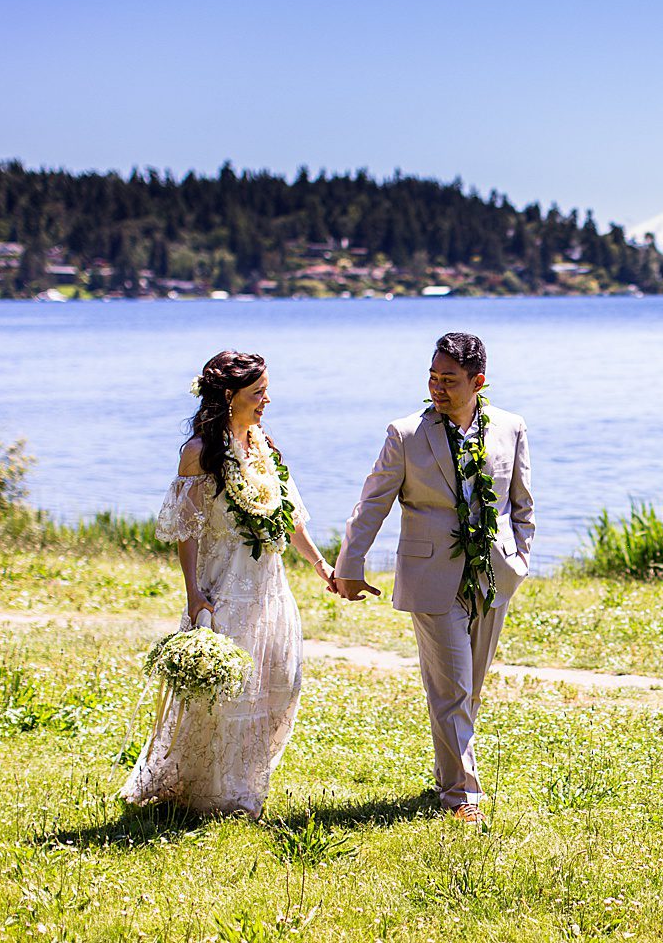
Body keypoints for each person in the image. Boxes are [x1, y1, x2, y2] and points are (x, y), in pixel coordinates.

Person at [331, 332, 534, 823]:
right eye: (432, 376)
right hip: (431, 577)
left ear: (477, 382)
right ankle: (462, 797)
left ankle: (451, 773)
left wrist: (518, 559)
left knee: (471, 688)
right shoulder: (405, 434)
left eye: (449, 380)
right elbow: (372, 503)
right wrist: (349, 567)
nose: (437, 387)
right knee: (452, 690)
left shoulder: (510, 427)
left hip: (494, 576)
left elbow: (522, 504)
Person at [121, 350, 333, 818]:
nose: (266, 400)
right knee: (224, 694)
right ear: (229, 396)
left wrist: (320, 565)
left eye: (265, 391)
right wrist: (194, 594)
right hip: (224, 586)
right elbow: (187, 528)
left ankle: (244, 781)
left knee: (280, 683)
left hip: (269, 587)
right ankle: (211, 795)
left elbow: (290, 517)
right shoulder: (199, 453)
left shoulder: (263, 445)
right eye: (258, 393)